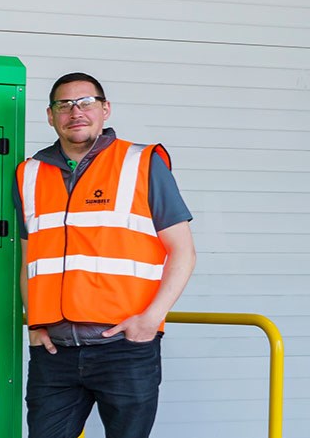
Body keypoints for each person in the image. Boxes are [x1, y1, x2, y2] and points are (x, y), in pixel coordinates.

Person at [18, 72, 196, 438]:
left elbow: (183, 252)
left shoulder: (142, 163)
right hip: (56, 353)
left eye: (85, 102)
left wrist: (151, 319)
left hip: (125, 348)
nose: (75, 111)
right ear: (50, 116)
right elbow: (29, 261)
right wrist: (35, 324)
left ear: (105, 109)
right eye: (63, 105)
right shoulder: (29, 174)